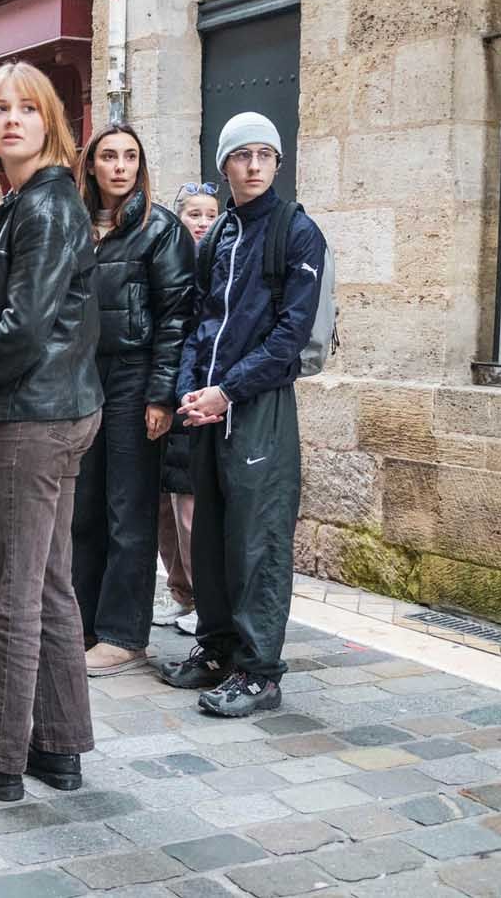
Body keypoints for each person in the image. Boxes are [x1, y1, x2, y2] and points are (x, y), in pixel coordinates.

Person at [0, 62, 102, 802]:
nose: (11, 120)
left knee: (6, 592)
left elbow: (26, 327)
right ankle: (58, 747)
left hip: (36, 417)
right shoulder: (28, 201)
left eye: (27, 108)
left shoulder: (45, 204)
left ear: (49, 122)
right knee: (51, 584)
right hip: (55, 410)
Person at [156, 112, 326, 719]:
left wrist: (227, 392)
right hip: (208, 408)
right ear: (224, 164)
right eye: (242, 155)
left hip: (259, 407)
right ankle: (218, 648)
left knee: (259, 540)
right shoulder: (221, 233)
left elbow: (290, 338)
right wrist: (189, 391)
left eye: (265, 155)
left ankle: (259, 672)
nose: (254, 166)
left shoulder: (297, 232)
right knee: (210, 538)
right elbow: (200, 321)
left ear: (278, 163)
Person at [70, 124, 196, 677]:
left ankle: (124, 634)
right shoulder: (74, 225)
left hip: (134, 376)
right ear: (92, 165)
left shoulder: (160, 229)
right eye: (108, 156)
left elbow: (176, 317)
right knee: (83, 508)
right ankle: (82, 624)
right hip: (81, 377)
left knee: (128, 510)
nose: (119, 166)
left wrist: (161, 395)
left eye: (129, 157)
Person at [156, 182, 221, 636]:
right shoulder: (170, 261)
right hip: (165, 390)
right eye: (194, 214)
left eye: (210, 214)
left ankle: (203, 596)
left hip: (200, 393)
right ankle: (179, 590)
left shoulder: (221, 263)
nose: (202, 222)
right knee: (164, 503)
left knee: (190, 505)